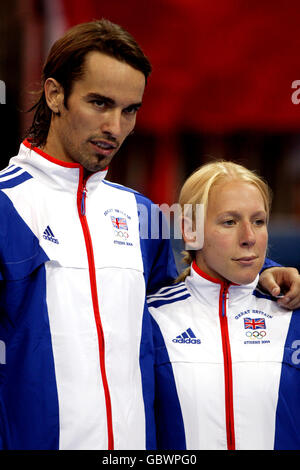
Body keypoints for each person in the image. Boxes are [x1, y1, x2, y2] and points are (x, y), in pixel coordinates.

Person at [0, 19, 298, 450]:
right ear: (54, 94)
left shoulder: (138, 213)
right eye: (99, 103)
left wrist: (271, 273)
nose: (115, 127)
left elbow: (197, 280)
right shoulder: (6, 208)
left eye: (130, 110)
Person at [148, 161, 300, 450]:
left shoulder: (293, 312)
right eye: (229, 222)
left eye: (258, 221)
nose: (249, 238)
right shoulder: (152, 320)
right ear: (191, 231)